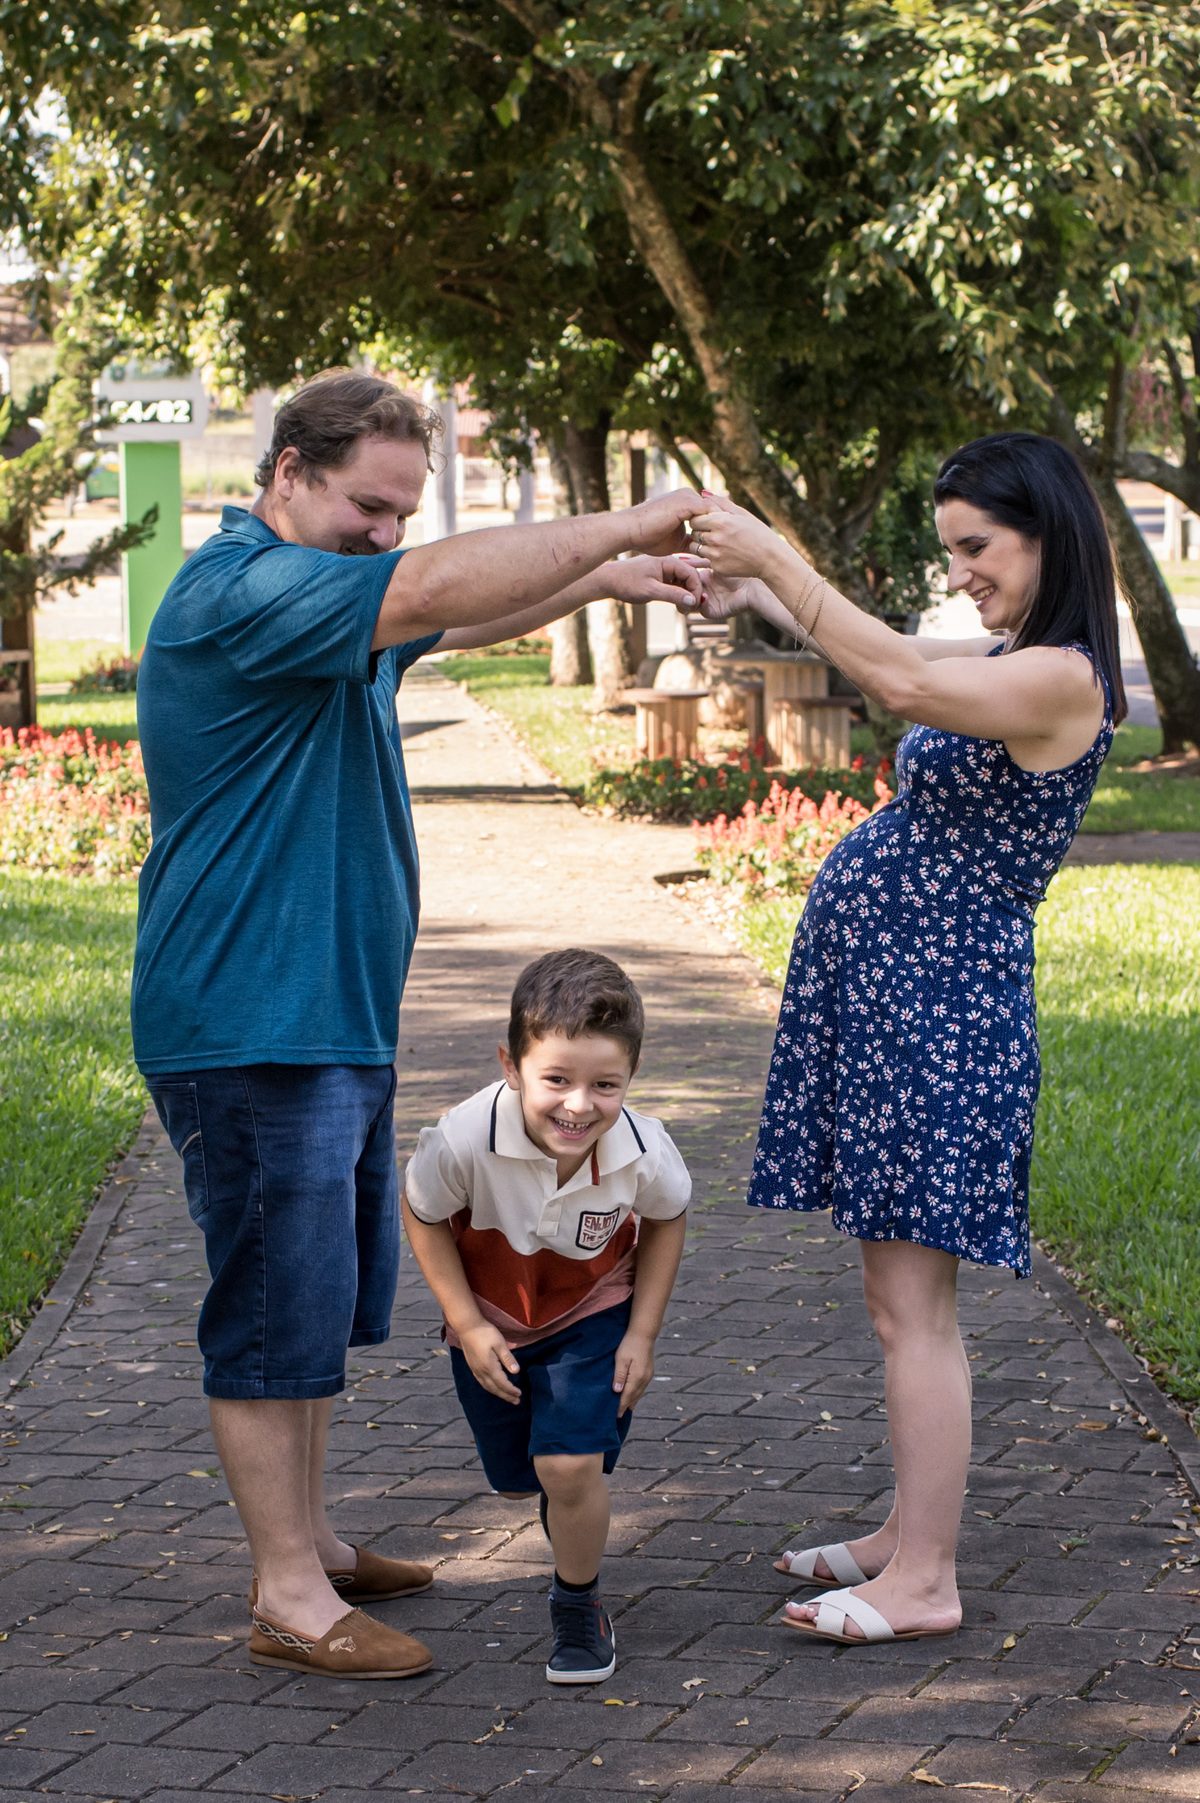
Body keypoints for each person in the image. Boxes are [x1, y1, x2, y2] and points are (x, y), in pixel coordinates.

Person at [132, 371, 704, 1681]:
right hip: (248, 1021)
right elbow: (437, 587)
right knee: (272, 1312)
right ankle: (287, 1589)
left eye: (404, 513)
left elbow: (453, 616)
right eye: (367, 508)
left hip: (321, 1016)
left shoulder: (316, 597)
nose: (386, 535)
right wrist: (628, 526)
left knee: (316, 1303)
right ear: (287, 469)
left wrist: (598, 587)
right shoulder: (244, 590)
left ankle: (314, 1538)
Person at [686, 432, 1126, 1647]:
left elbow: (899, 683)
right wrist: (761, 590)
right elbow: (893, 651)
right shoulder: (1009, 655)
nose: (964, 574)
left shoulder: (1063, 680)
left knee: (913, 1310)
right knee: (896, 1299)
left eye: (977, 548)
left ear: (1048, 534)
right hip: (902, 1009)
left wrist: (777, 548)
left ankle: (924, 1577)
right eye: (953, 552)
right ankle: (901, 1533)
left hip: (945, 1019)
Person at [401, 949, 690, 1682]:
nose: (578, 1104)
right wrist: (466, 1323)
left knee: (567, 1464)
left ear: (631, 1079)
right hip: (495, 1316)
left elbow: (668, 1217)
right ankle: (571, 1491)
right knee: (518, 1478)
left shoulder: (644, 1151)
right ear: (512, 1066)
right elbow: (422, 1211)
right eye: (555, 1078)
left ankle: (578, 1600)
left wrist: (643, 1333)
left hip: (594, 1311)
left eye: (605, 1084)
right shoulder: (464, 1138)